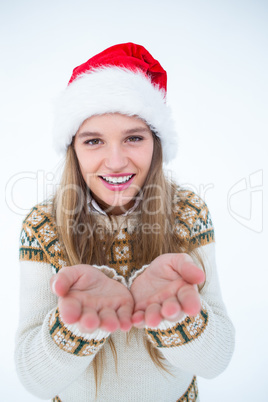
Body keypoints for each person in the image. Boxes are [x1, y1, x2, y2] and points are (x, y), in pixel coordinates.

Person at [15, 42, 235, 402]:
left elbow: (216, 361)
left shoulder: (188, 213)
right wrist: (75, 328)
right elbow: (34, 380)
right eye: (94, 141)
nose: (115, 161)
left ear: (156, 143)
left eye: (133, 137)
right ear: (73, 149)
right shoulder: (44, 226)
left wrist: (175, 316)